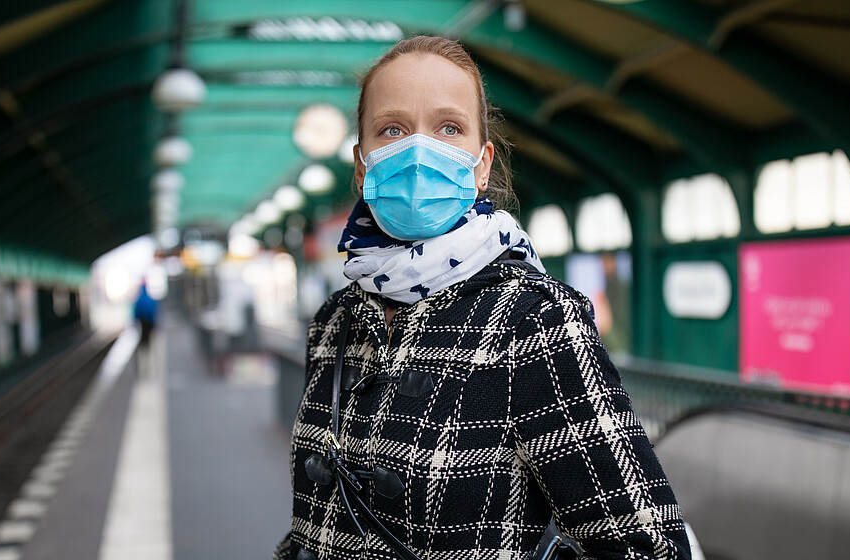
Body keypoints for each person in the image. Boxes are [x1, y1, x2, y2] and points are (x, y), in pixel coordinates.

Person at [273, 36, 691, 560]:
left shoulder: (534, 320)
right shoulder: (336, 320)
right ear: (362, 166)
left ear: (481, 164)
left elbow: (648, 547)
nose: (419, 150)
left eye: (449, 128)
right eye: (392, 130)